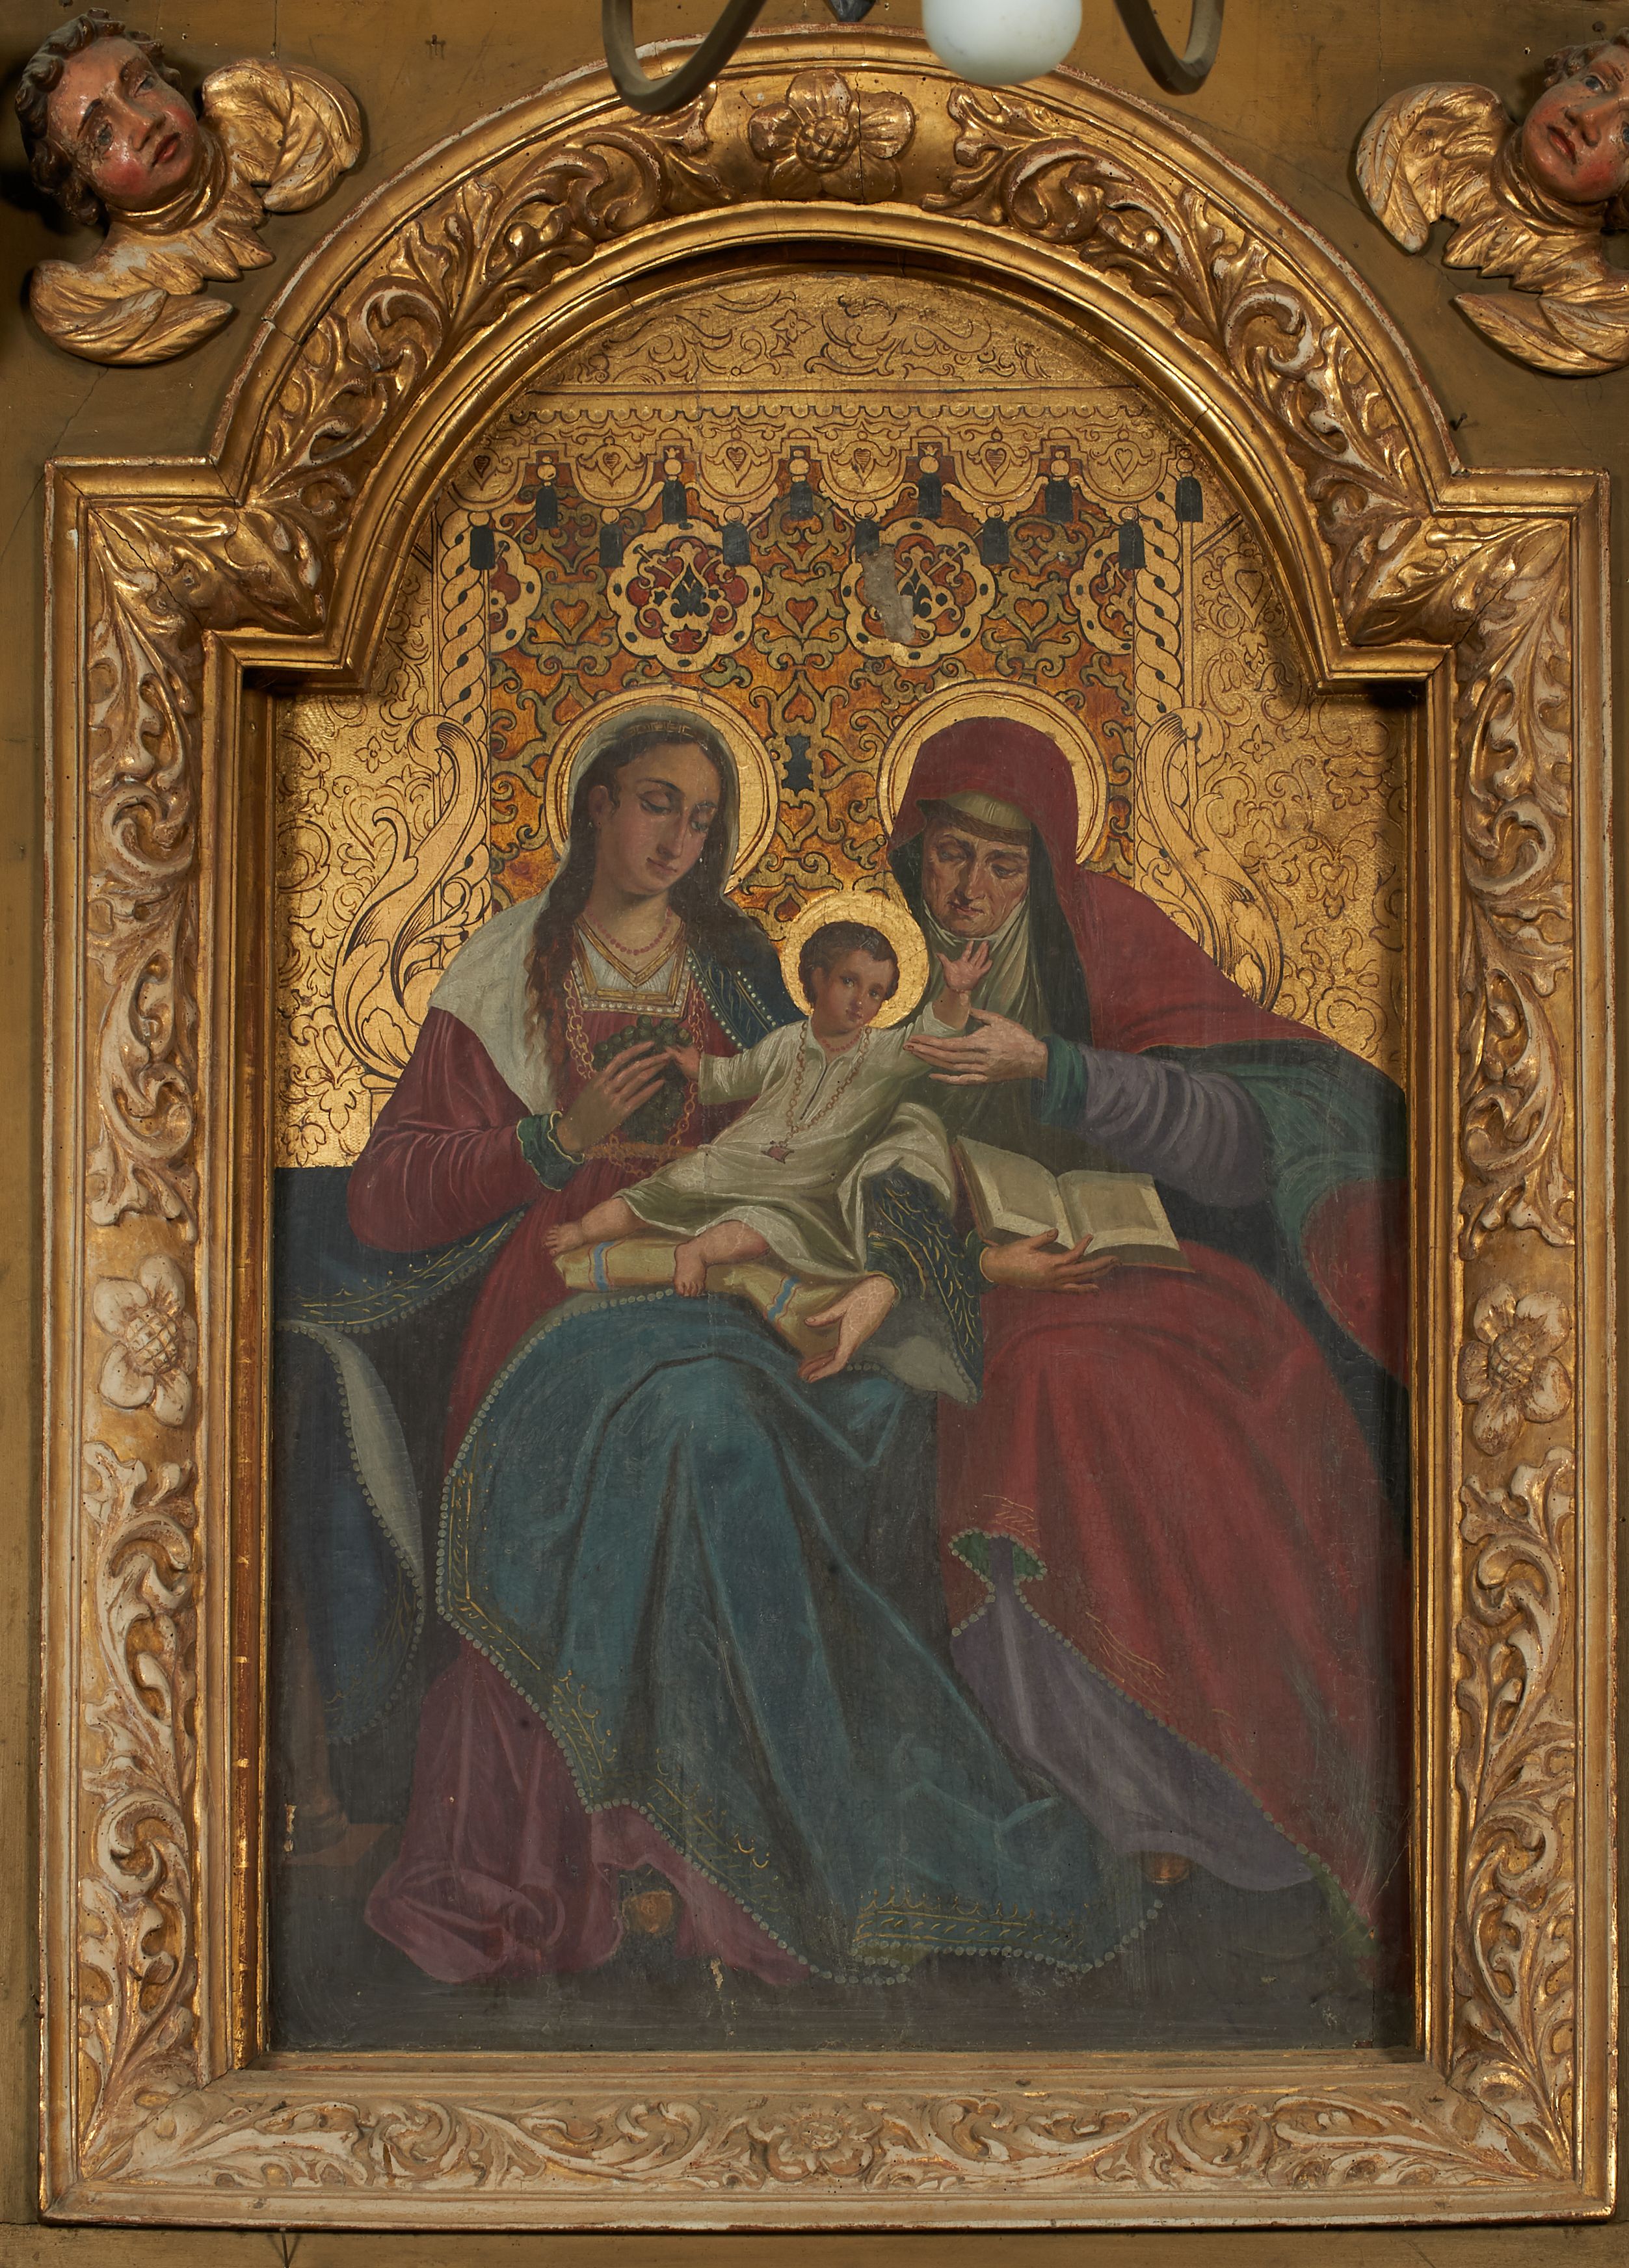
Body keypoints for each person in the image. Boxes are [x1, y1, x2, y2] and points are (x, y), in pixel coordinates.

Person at [338, 705, 1155, 1987]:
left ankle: (783, 1860)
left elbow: (843, 1106)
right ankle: (662, 1856)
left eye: (705, 817)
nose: (681, 837)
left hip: (744, 1284)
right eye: (658, 803)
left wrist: (907, 1254)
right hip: (567, 1307)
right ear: (595, 804)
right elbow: (385, 1197)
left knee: (864, 1411)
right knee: (702, 1431)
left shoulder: (736, 966)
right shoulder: (505, 971)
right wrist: (555, 1140)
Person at [890, 715, 1410, 1966]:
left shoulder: (1108, 938)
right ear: (912, 855)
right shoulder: (882, 995)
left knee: (1082, 1387)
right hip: (1002, 1296)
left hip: (1164, 1283)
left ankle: (1210, 1804)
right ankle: (1102, 1803)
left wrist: (1058, 1069)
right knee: (1023, 1381)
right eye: (949, 855)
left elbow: (1240, 1137)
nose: (968, 891)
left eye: (1003, 865)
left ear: (1048, 870)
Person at [548, 917, 990, 1326]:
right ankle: (582, 1230)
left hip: (804, 1182)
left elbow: (931, 1034)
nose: (860, 1002)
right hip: (742, 1156)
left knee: (764, 1227)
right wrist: (699, 1067)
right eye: (849, 981)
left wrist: (956, 994)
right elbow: (737, 1075)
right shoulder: (785, 1042)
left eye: (875, 993)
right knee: (669, 1186)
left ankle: (696, 1251)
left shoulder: (884, 1054)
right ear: (817, 978)